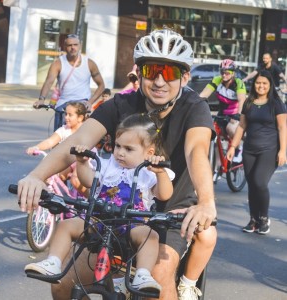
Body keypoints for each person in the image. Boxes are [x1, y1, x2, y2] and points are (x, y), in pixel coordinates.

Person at [17, 28, 217, 300]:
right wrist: (37, 176)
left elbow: (197, 150)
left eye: (169, 73)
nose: (159, 81)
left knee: (158, 279)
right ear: (140, 72)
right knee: (64, 285)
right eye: (151, 71)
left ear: (184, 77)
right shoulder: (121, 104)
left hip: (170, 214)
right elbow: (79, 140)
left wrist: (206, 201)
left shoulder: (194, 107)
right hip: (116, 213)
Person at [24, 113, 174, 293]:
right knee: (65, 225)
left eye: (128, 149)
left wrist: (160, 173)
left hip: (132, 224)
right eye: (117, 146)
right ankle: (53, 262)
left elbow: (164, 194)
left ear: (149, 153)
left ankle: (143, 274)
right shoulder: (107, 165)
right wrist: (82, 163)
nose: (120, 152)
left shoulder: (147, 172)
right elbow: (88, 181)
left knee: (151, 236)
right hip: (98, 221)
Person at [227, 70, 287, 234]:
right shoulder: (249, 102)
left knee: (260, 182)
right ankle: (253, 219)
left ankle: (264, 218)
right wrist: (233, 146)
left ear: (269, 85)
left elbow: (282, 127)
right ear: (254, 84)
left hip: (269, 150)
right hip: (249, 150)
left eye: (264, 83)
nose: (261, 86)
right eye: (258, 83)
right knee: (252, 185)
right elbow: (241, 126)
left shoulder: (276, 103)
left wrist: (283, 150)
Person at [34, 33, 105, 130]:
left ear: (80, 46)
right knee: (58, 138)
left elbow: (101, 85)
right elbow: (48, 82)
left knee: (80, 139)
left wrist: (90, 102)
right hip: (63, 105)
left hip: (81, 104)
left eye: (75, 45)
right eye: (69, 45)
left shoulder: (89, 63)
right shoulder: (58, 63)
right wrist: (41, 99)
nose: (73, 48)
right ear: (64, 47)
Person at [27, 102, 89, 197]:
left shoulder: (87, 130)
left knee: (75, 180)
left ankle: (92, 202)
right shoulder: (64, 130)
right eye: (66, 114)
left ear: (80, 118)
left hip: (84, 162)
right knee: (48, 176)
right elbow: (50, 142)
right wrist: (37, 147)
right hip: (68, 161)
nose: (66, 117)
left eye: (70, 115)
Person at [200, 59, 247, 139]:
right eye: (222, 72)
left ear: (233, 73)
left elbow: (242, 100)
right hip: (221, 114)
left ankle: (239, 149)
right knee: (209, 132)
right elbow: (203, 95)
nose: (224, 75)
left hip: (234, 116)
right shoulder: (217, 80)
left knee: (231, 130)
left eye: (227, 73)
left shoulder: (238, 83)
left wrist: (238, 116)